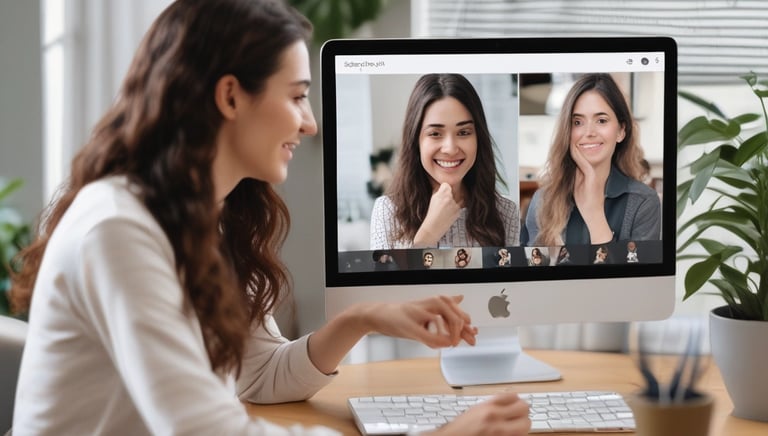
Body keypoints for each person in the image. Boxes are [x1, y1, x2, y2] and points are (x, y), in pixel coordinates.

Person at [9, 1, 531, 435]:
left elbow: (259, 376)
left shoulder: (202, 220)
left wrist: (361, 318)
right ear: (231, 95)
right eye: (298, 97)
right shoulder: (118, 230)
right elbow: (205, 429)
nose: (309, 123)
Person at [370, 73, 520, 250]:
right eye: (435, 134)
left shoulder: (506, 213)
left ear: (478, 138)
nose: (450, 148)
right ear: (416, 140)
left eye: (463, 132)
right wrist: (428, 235)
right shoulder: (387, 212)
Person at [522, 73, 661, 246]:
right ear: (568, 131)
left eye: (601, 120)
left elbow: (636, 274)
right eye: (578, 122)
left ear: (621, 131)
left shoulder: (644, 202)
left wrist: (594, 213)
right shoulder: (543, 200)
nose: (589, 132)